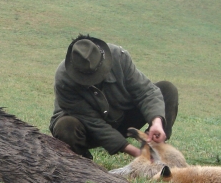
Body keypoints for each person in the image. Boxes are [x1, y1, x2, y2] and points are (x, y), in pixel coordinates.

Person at [49, 34, 179, 159]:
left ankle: (155, 146)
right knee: (65, 126)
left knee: (167, 90)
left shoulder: (119, 56)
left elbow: (146, 92)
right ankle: (83, 163)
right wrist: (134, 151)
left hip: (122, 117)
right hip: (88, 130)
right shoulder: (63, 80)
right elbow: (93, 122)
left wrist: (156, 122)